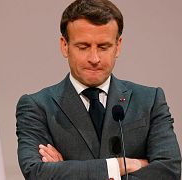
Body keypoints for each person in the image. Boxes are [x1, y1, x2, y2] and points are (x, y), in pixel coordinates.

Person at [15, 0, 181, 179]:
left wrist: (66, 170)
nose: (94, 58)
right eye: (83, 47)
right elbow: (36, 172)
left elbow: (170, 170)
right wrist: (123, 165)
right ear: (65, 45)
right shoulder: (37, 106)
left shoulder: (150, 100)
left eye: (103, 47)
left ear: (118, 46)